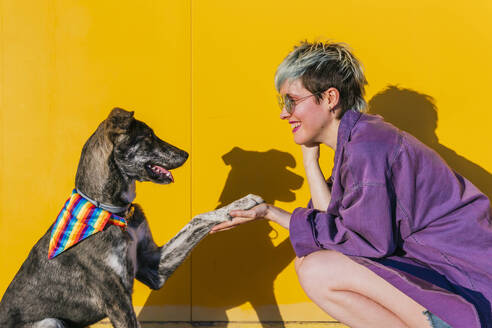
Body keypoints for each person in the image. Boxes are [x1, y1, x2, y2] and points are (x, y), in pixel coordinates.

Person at [211, 41, 492, 328]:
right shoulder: (359, 143)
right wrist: (311, 162)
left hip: (469, 284)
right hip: (448, 274)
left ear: (330, 98)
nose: (284, 113)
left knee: (318, 270)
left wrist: (272, 213)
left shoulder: (369, 148)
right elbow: (334, 226)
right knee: (314, 263)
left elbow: (364, 242)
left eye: (291, 101)